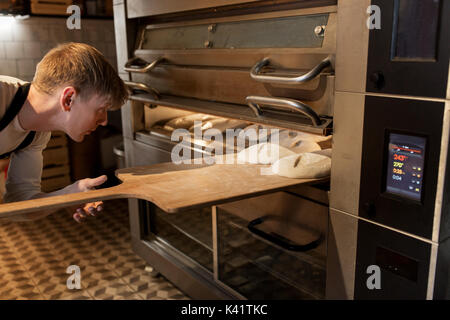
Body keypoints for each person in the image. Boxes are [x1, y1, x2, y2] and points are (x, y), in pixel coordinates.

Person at [0, 42, 129, 223]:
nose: (104, 120)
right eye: (102, 108)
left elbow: (21, 205)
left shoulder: (36, 135)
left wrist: (68, 194)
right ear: (69, 98)